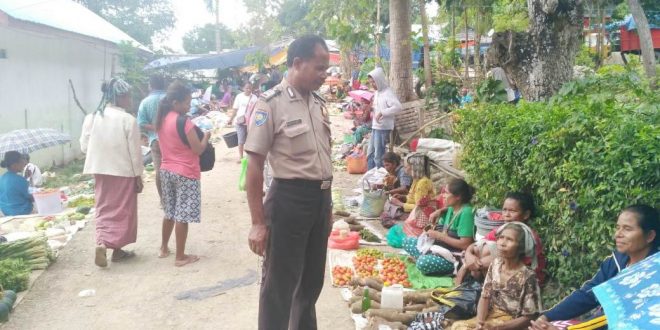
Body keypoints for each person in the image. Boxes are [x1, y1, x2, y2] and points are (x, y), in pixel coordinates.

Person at [244, 35, 332, 330]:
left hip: (319, 201)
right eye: (319, 68)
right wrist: (258, 222)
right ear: (297, 63)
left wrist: (327, 207)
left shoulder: (318, 103)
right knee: (279, 288)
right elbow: (254, 165)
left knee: (310, 285)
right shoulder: (270, 104)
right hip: (288, 201)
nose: (324, 75)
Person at [529, 205, 659, 330]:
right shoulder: (615, 262)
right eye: (617, 228)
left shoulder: (653, 273)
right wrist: (547, 316)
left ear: (650, 236)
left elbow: (615, 318)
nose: (618, 234)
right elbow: (589, 294)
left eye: (627, 229)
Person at [80, 77, 144, 267]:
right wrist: (138, 176)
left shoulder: (91, 118)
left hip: (99, 170)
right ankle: (117, 250)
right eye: (129, 96)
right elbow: (135, 152)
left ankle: (101, 242)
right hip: (123, 171)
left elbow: (84, 147)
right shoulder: (128, 120)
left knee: (104, 207)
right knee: (123, 210)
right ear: (121, 97)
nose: (130, 99)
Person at [155, 81, 210, 267]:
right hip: (185, 172)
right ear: (175, 103)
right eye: (186, 103)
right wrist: (206, 138)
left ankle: (163, 248)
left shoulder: (161, 119)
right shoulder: (183, 122)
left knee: (169, 212)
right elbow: (198, 150)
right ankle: (180, 257)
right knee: (182, 216)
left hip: (166, 171)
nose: (188, 106)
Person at [451, 222, 542, 330]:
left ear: (521, 247)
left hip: (511, 323)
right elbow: (485, 297)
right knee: (457, 326)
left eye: (509, 239)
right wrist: (480, 323)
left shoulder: (527, 276)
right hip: (492, 315)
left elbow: (530, 316)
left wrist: (499, 327)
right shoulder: (495, 264)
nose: (502, 243)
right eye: (501, 238)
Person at [457, 192, 546, 285]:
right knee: (480, 247)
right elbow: (477, 244)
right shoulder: (503, 229)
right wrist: (469, 255)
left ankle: (480, 286)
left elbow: (503, 257)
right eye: (504, 210)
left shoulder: (526, 235)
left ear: (526, 214)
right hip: (504, 272)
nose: (506, 214)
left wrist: (467, 266)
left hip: (526, 281)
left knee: (489, 249)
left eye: (512, 211)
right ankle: (475, 285)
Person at [402, 178, 475, 275]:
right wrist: (439, 211)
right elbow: (446, 214)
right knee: (407, 241)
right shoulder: (452, 208)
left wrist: (439, 236)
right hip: (440, 248)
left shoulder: (466, 213)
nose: (443, 196)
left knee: (422, 263)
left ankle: (445, 267)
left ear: (458, 197)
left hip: (453, 256)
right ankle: (426, 257)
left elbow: (465, 244)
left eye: (446, 193)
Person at [383, 153, 434, 230]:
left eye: (406, 167)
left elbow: (419, 208)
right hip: (413, 211)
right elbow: (414, 198)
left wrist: (400, 203)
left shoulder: (422, 183)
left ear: (415, 168)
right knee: (386, 215)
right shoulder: (417, 180)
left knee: (387, 218)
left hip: (420, 216)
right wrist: (403, 197)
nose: (405, 170)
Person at [366, 67, 402, 170]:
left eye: (374, 82)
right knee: (370, 153)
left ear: (379, 80)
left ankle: (380, 177)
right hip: (375, 126)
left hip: (383, 128)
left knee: (379, 155)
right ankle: (370, 174)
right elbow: (378, 107)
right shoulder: (377, 92)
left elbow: (398, 107)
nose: (372, 84)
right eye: (370, 82)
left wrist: (383, 112)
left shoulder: (388, 92)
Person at [137, 75, 166, 201]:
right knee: (176, 168)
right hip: (174, 139)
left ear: (150, 86)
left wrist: (155, 127)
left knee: (159, 171)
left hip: (156, 141)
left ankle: (163, 200)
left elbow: (141, 123)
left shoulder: (145, 102)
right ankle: (177, 197)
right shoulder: (169, 98)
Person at [0, 151, 33, 216]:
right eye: (21, 161)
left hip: (6, 211)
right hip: (21, 212)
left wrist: (26, 179)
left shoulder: (2, 178)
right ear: (14, 165)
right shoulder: (19, 179)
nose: (24, 163)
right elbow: (30, 197)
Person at [232, 83, 257, 161]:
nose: (248, 90)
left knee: (250, 140)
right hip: (240, 121)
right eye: (247, 88)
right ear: (243, 88)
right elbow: (235, 109)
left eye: (250, 88)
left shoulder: (254, 98)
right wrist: (230, 119)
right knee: (241, 140)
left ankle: (249, 156)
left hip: (250, 122)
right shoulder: (239, 97)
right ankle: (241, 156)